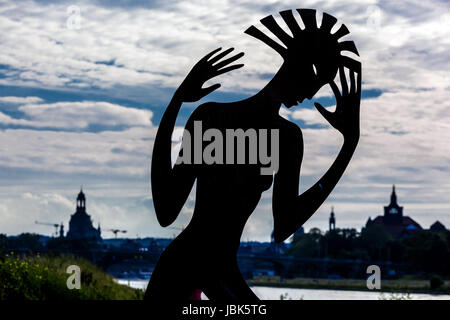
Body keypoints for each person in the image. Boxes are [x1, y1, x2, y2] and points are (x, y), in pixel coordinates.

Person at [145, 8, 361, 301]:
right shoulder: (215, 118)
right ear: (299, 63)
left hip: (217, 268)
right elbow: (166, 209)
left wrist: (349, 145)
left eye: (321, 85)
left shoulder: (282, 137)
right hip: (186, 268)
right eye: (316, 78)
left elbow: (284, 225)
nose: (312, 94)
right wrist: (176, 101)